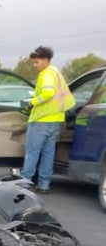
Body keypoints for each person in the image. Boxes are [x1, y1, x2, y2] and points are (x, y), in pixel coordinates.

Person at [20, 46, 75, 194]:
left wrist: (32, 102)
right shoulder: (56, 72)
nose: (35, 65)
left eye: (36, 62)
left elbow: (48, 92)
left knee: (32, 152)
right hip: (56, 119)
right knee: (48, 153)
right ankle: (44, 184)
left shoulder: (46, 74)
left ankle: (24, 184)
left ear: (45, 60)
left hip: (41, 120)